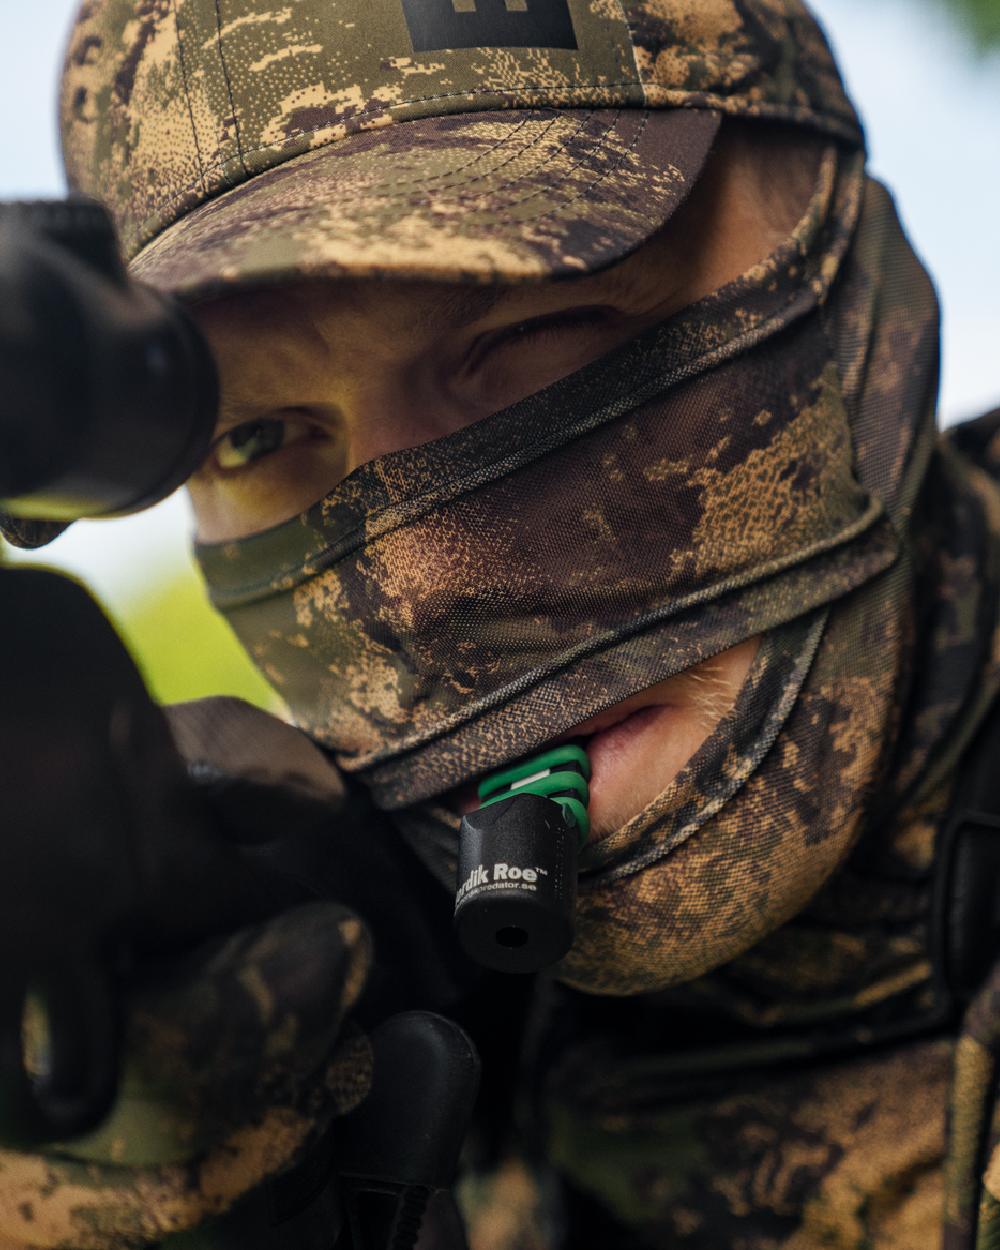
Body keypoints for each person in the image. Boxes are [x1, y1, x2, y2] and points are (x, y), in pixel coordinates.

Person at [2, 0, 999, 1246]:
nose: (418, 589)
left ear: (854, 248)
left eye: (536, 330)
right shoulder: (308, 1029)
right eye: (254, 438)